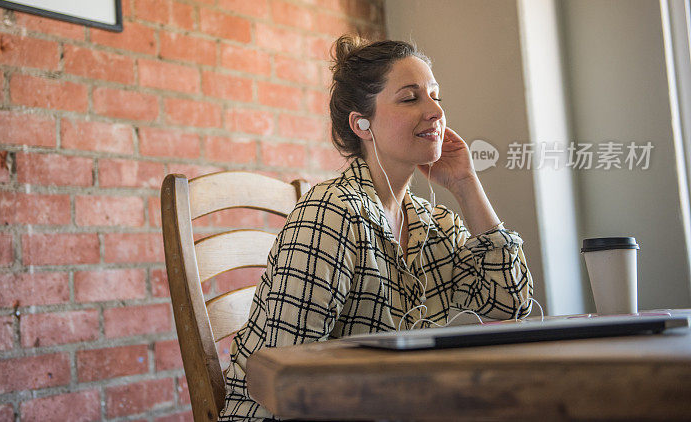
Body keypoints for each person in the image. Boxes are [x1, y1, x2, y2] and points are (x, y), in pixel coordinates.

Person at [219, 35, 533, 421]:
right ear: (362, 124)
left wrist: (467, 184)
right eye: (410, 98)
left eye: (436, 96)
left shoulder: (431, 223)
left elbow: (510, 302)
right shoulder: (330, 215)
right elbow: (286, 378)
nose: (435, 111)